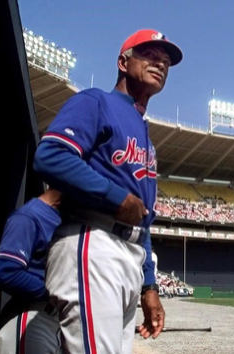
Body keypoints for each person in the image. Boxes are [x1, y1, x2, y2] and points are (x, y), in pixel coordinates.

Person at [33, 29, 182, 354]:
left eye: (166, 61)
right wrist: (115, 197)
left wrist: (149, 285)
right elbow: (50, 155)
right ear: (122, 62)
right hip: (93, 242)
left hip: (128, 254)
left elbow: (141, 217)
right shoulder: (95, 101)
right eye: (150, 55)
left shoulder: (144, 133)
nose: (161, 64)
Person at [0, 189, 62, 354]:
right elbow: (5, 272)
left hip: (54, 319)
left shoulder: (66, 218)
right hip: (30, 316)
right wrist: (53, 293)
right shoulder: (28, 216)